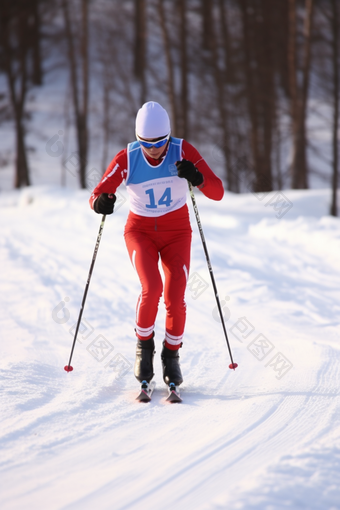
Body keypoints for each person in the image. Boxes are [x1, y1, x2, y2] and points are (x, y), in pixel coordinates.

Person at [90, 101, 224, 388]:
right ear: (138, 140)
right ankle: (144, 349)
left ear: (169, 136)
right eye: (146, 144)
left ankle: (171, 356)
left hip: (177, 233)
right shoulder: (128, 157)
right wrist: (101, 202)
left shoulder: (181, 150)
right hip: (140, 232)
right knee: (152, 288)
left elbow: (218, 192)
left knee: (175, 297)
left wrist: (197, 177)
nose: (154, 150)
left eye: (160, 142)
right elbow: (98, 193)